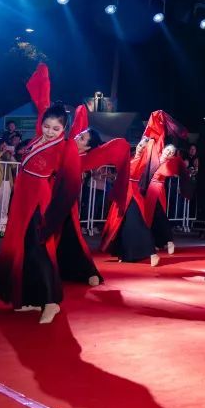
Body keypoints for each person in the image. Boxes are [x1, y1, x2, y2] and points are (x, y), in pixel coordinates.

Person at [0, 64, 82, 324]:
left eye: (56, 129)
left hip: (39, 201)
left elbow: (70, 184)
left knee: (39, 249)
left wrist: (55, 215)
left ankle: (50, 301)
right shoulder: (37, 138)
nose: (49, 131)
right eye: (47, 126)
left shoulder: (64, 148)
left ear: (63, 129)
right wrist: (43, 76)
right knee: (23, 248)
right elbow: (42, 100)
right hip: (22, 199)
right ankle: (30, 298)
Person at [101, 111, 186, 267]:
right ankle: (124, 253)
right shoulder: (131, 157)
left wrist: (157, 125)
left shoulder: (146, 161)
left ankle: (152, 251)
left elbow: (156, 143)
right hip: (126, 193)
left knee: (139, 221)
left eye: (144, 146)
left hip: (136, 193)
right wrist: (111, 176)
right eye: (140, 145)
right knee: (122, 223)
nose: (141, 147)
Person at [57, 110, 130, 287]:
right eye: (79, 135)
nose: (77, 137)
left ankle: (88, 272)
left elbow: (117, 147)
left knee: (71, 237)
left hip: (65, 203)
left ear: (88, 148)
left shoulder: (82, 159)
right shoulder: (64, 146)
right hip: (49, 199)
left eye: (82, 138)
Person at [143, 144, 192, 256]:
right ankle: (157, 242)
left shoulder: (169, 163)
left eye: (171, 152)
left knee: (160, 215)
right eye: (168, 150)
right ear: (164, 149)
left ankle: (169, 241)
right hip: (149, 189)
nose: (168, 152)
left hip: (158, 189)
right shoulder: (155, 157)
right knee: (151, 216)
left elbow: (170, 171)